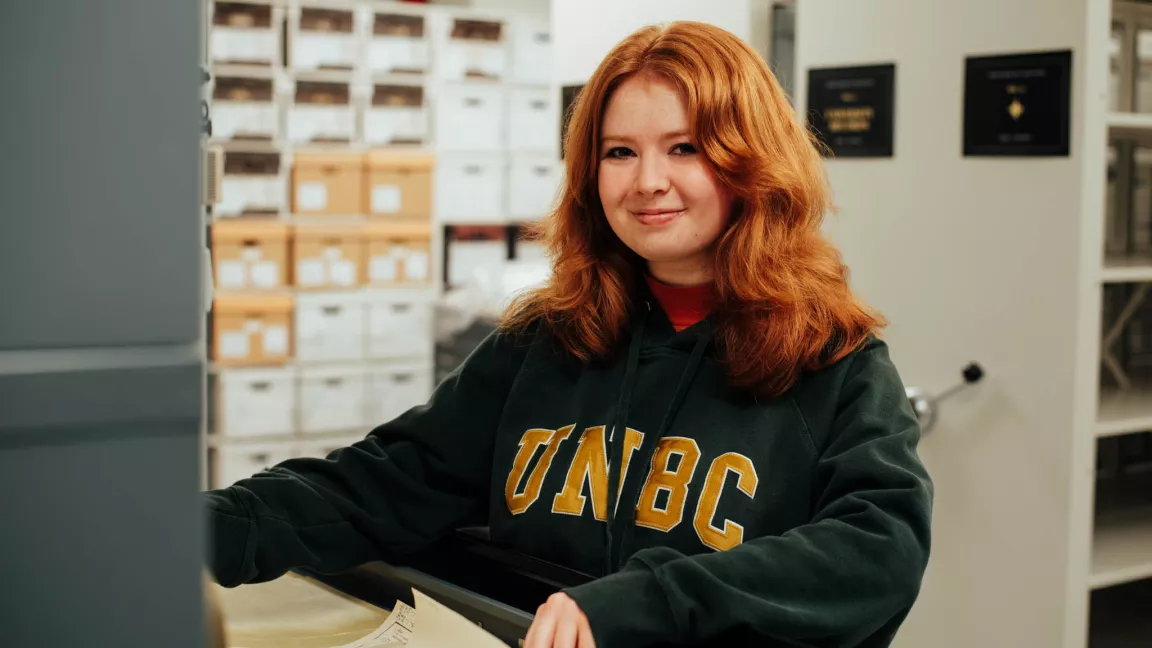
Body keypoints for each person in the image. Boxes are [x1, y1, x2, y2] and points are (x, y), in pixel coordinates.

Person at [204, 21, 933, 648]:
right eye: (619, 152)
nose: (647, 180)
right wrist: (208, 526)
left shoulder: (835, 361)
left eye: (684, 148)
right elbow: (388, 482)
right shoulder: (544, 343)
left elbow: (876, 550)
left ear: (751, 162)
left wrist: (643, 602)